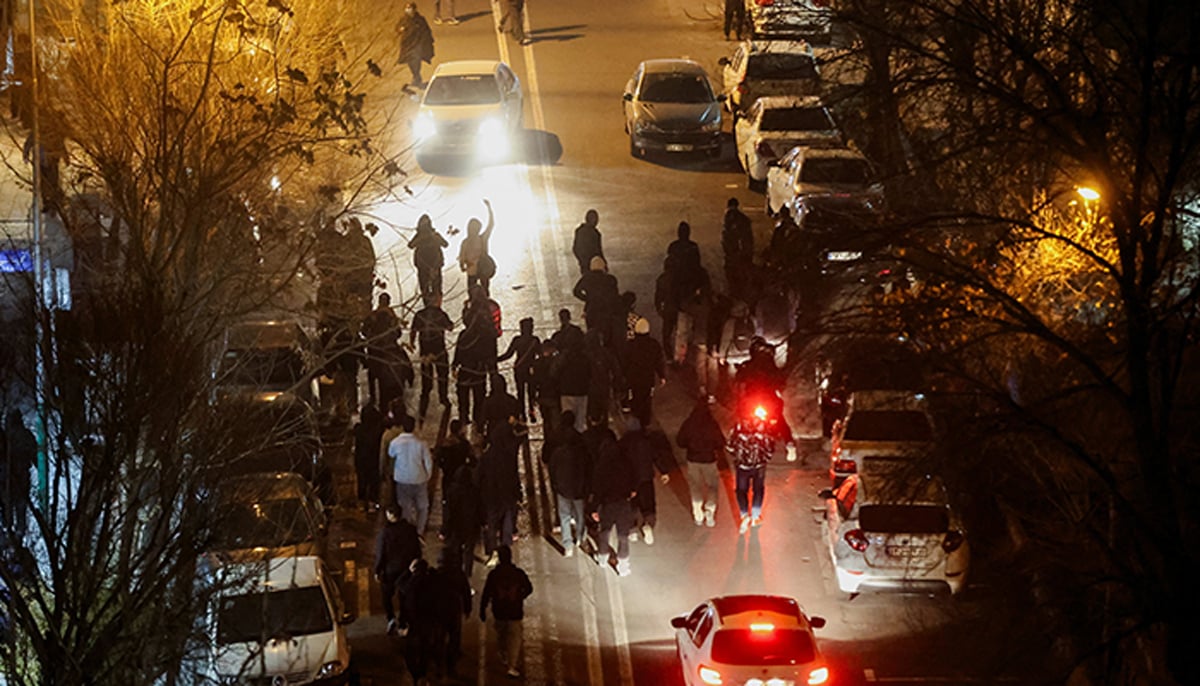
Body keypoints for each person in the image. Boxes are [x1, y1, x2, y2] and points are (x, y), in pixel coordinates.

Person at [727, 402, 794, 534]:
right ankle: (755, 516)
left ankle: (744, 514)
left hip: (742, 466)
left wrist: (738, 456)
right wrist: (765, 458)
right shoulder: (764, 429)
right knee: (758, 490)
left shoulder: (739, 426)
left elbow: (730, 445)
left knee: (741, 490)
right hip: (759, 466)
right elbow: (769, 448)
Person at [586, 418, 635, 576]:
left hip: (608, 504)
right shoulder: (626, 461)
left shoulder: (602, 465)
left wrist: (594, 508)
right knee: (623, 536)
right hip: (623, 503)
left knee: (605, 532)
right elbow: (633, 480)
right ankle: (623, 566)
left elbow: (597, 489)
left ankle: (602, 558)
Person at [479, 545, 534, 679]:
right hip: (515, 612)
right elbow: (529, 588)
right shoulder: (518, 573)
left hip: (499, 611)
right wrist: (520, 596)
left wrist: (482, 609)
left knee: (501, 635)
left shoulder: (494, 574)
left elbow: (486, 593)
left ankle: (504, 654)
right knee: (514, 639)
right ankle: (512, 665)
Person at [621, 417, 674, 546]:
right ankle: (648, 524)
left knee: (632, 504)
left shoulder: (623, 443)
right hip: (646, 477)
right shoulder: (647, 441)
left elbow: (619, 462)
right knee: (648, 503)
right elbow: (656, 457)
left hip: (630, 479)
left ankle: (632, 529)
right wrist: (664, 471)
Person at [543, 410, 590, 556]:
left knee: (564, 515)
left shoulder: (557, 450)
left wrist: (555, 484)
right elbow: (588, 467)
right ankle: (581, 538)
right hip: (578, 488)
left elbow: (547, 461)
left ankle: (567, 544)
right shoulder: (581, 447)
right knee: (580, 515)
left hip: (562, 487)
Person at [677, 397, 726, 527]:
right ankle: (710, 507)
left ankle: (698, 515)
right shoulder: (712, 423)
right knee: (713, 486)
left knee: (695, 486)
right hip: (709, 460)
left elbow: (680, 441)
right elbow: (721, 443)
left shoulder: (689, 422)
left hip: (693, 459)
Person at [375, 504, 423, 636]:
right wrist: (416, 561)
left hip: (389, 570)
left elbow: (380, 553)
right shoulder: (410, 530)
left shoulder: (385, 532)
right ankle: (403, 621)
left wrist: (377, 570)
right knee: (404, 596)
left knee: (386, 596)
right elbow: (417, 549)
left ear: (390, 514)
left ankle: (391, 618)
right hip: (406, 569)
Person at [478, 423, 522, 566]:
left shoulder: (486, 457)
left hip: (491, 496)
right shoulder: (508, 456)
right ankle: (505, 550)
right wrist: (518, 493)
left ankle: (492, 552)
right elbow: (514, 476)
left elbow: (479, 477)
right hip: (507, 496)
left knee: (491, 525)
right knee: (507, 524)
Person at [410, 292, 454, 424]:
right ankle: (443, 398)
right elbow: (450, 327)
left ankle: (424, 401)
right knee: (443, 375)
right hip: (439, 350)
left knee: (426, 379)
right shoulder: (441, 314)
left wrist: (412, 343)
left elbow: (413, 330)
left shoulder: (419, 314)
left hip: (425, 351)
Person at [389, 415, 433, 533]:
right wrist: (427, 476)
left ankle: (407, 531)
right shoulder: (421, 444)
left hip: (402, 479)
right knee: (422, 507)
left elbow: (391, 454)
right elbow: (428, 462)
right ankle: (419, 531)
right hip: (419, 479)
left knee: (405, 507)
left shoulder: (395, 442)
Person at [434, 549, 473, 679]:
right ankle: (451, 668)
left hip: (439, 611)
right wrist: (467, 609)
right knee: (454, 640)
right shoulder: (458, 574)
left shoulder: (436, 574)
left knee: (439, 640)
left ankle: (439, 667)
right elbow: (466, 592)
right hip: (454, 610)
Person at [452, 315, 494, 431]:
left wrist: (454, 365)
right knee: (479, 397)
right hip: (478, 371)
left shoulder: (463, 335)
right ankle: (477, 419)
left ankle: (465, 417)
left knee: (463, 396)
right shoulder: (482, 336)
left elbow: (458, 351)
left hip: (466, 370)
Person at [442, 462, 483, 578]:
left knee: (456, 550)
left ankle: (457, 571)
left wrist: (444, 530)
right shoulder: (474, 490)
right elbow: (480, 507)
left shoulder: (451, 491)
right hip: (471, 526)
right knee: (469, 551)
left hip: (456, 526)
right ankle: (467, 573)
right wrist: (483, 522)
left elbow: (448, 512)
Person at [623, 317, 665, 428]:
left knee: (634, 402)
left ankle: (635, 426)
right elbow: (658, 362)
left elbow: (624, 362)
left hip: (633, 380)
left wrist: (623, 376)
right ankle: (645, 424)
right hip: (648, 380)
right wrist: (662, 376)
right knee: (647, 401)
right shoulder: (654, 345)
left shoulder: (630, 345)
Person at [361, 292, 402, 406]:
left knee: (373, 375)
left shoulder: (374, 315)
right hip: (384, 351)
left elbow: (364, 331)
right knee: (382, 376)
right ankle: (381, 400)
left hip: (376, 349)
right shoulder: (390, 316)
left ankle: (374, 399)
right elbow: (398, 333)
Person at [497, 317, 541, 422]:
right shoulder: (535, 340)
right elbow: (540, 354)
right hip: (531, 369)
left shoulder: (517, 340)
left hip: (519, 369)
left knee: (520, 392)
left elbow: (509, 354)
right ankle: (531, 411)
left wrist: (497, 359)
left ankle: (522, 413)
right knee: (531, 392)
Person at [573, 256, 622, 345]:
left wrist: (588, 298)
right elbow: (615, 296)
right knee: (607, 334)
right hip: (606, 311)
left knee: (592, 333)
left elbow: (576, 291)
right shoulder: (610, 279)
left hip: (591, 310)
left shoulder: (587, 278)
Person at [555, 332, 590, 432]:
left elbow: (555, 372)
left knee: (568, 419)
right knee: (580, 422)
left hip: (567, 391)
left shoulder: (564, 356)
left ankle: (569, 440)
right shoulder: (585, 356)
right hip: (582, 391)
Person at [458, 200, 496, 292]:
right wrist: (463, 265)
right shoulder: (480, 239)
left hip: (480, 270)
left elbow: (491, 224)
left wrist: (489, 209)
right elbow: (462, 257)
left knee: (474, 293)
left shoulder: (468, 241)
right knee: (482, 292)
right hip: (478, 270)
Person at [354, 403, 385, 513]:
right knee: (373, 482)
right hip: (374, 460)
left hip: (361, 460)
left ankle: (362, 502)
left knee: (362, 481)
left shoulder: (358, 429)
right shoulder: (378, 430)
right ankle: (372, 503)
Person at [409, 214, 449, 298]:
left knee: (437, 290)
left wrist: (434, 238)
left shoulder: (434, 234)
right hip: (422, 266)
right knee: (425, 290)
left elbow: (445, 244)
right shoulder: (418, 236)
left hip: (435, 265)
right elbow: (410, 245)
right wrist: (420, 238)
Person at [397, 2, 435, 88]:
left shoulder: (420, 20)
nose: (409, 10)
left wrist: (426, 41)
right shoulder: (403, 19)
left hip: (417, 44)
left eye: (410, 8)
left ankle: (416, 77)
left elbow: (426, 30)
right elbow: (397, 28)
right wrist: (401, 29)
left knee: (416, 60)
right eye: (407, 8)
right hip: (407, 44)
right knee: (410, 61)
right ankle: (416, 76)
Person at [722, 197, 754, 298]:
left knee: (734, 274)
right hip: (741, 252)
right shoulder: (743, 219)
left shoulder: (730, 216)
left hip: (736, 252)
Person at [530, 339, 561, 433]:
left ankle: (548, 439)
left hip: (542, 394)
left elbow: (533, 381)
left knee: (546, 420)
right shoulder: (556, 362)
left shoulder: (536, 363)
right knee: (555, 421)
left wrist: (533, 396)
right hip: (554, 395)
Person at [480, 373, 521, 439]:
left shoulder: (488, 401)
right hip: (508, 432)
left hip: (493, 431)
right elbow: (517, 415)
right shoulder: (511, 400)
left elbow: (483, 418)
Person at [654, 259, 678, 360]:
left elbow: (658, 295)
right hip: (679, 309)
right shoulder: (680, 278)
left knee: (666, 334)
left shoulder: (662, 279)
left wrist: (659, 308)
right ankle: (680, 355)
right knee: (680, 333)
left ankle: (669, 356)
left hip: (668, 309)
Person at [571, 209, 604, 275]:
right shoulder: (596, 234)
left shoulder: (579, 231)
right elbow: (598, 250)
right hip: (594, 264)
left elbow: (575, 248)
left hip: (584, 263)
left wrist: (581, 260)